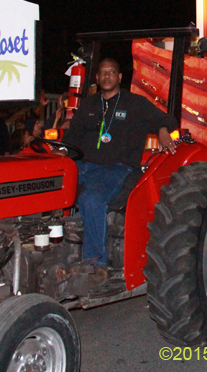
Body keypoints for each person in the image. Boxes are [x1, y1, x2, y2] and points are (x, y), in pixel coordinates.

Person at [65, 58, 178, 284]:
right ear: (97, 78)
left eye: (112, 72)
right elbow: (72, 137)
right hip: (84, 164)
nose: (107, 76)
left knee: (92, 199)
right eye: (102, 73)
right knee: (49, 184)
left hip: (117, 167)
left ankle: (96, 263)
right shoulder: (88, 105)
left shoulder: (134, 104)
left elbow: (164, 118)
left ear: (119, 77)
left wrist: (164, 130)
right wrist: (61, 155)